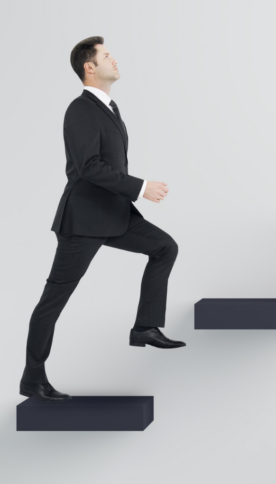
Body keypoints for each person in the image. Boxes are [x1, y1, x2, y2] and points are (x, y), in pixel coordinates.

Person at [20, 37, 185, 402]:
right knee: (53, 300)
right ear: (89, 67)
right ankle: (33, 379)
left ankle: (144, 327)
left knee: (164, 247)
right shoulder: (79, 110)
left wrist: (131, 194)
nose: (114, 59)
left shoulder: (110, 108)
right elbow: (89, 167)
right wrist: (141, 187)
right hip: (83, 221)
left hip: (114, 214)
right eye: (106, 55)